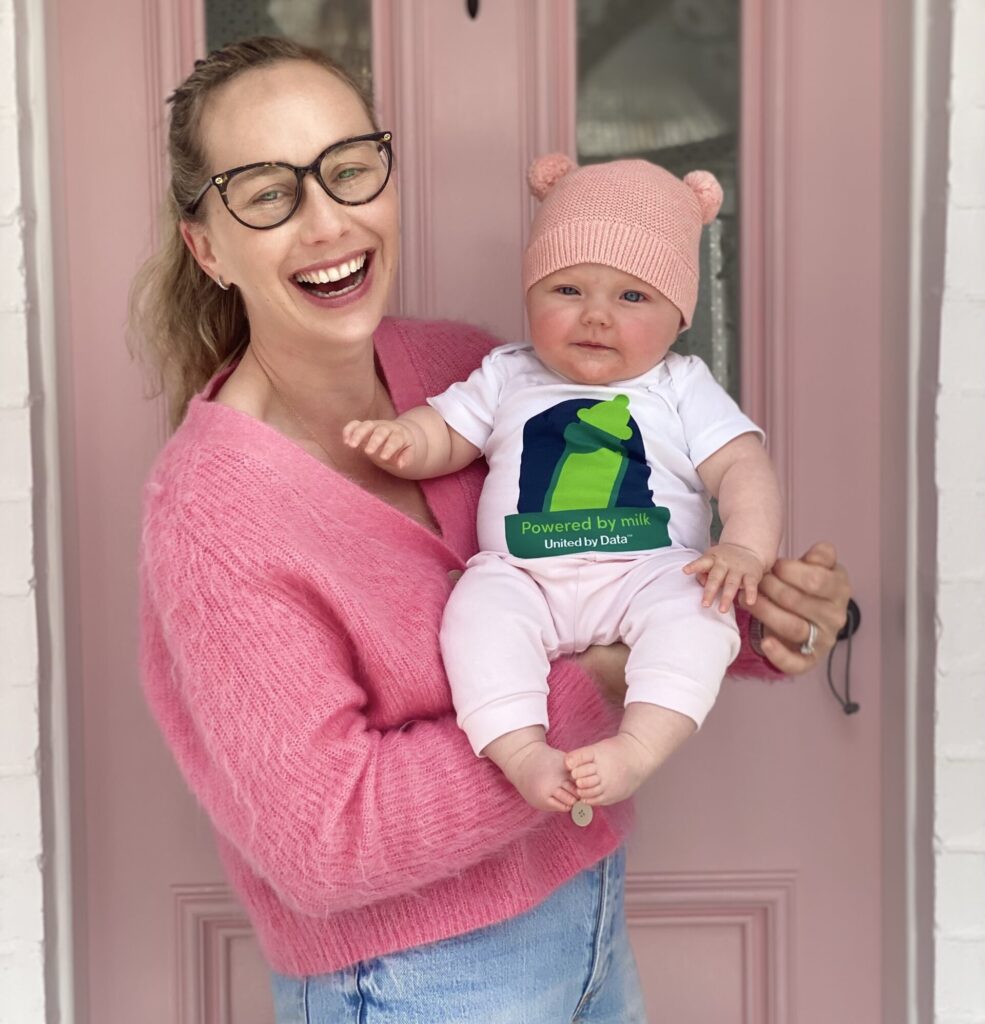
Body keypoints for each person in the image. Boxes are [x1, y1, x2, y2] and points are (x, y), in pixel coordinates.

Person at [130, 36, 853, 1023]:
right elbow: (327, 844)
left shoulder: (468, 369)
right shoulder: (212, 511)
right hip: (415, 982)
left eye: (348, 169)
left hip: (589, 911)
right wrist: (597, 690)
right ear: (207, 245)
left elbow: (617, 568)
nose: (328, 220)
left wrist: (771, 621)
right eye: (266, 191)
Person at [343, 155, 783, 814]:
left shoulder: (679, 386)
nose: (596, 317)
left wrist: (746, 550)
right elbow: (449, 433)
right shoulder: (507, 374)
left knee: (701, 617)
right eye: (567, 291)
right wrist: (405, 439)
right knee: (474, 614)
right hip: (524, 575)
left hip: (648, 572)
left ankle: (636, 749)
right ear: (529, 296)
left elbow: (741, 467)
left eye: (632, 296)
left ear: (678, 315)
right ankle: (522, 753)